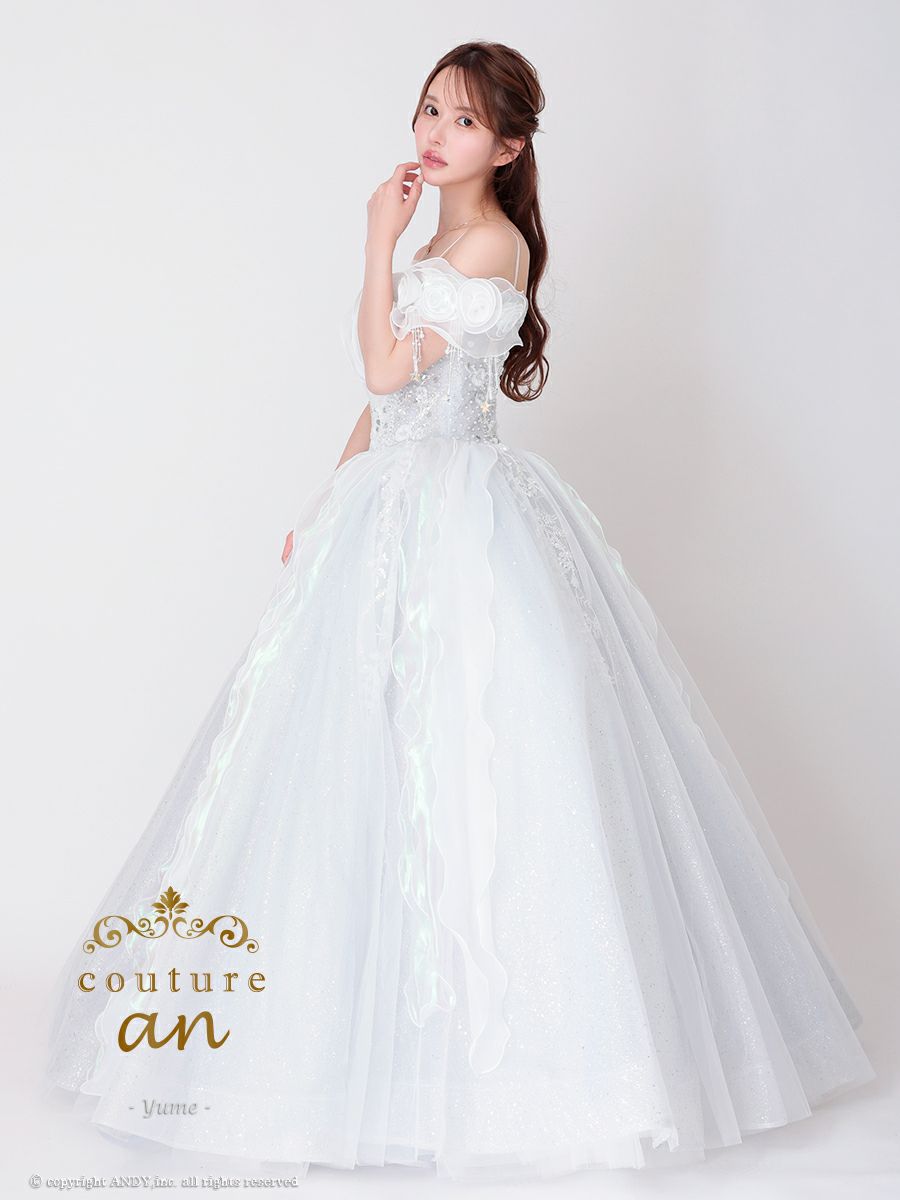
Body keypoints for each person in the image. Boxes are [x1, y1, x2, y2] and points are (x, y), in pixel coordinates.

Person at [40, 40, 876, 1184]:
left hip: (461, 517)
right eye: (430, 109)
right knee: (349, 761)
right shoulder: (439, 245)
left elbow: (388, 370)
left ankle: (518, 1064)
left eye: (467, 121)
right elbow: (381, 408)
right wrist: (327, 500)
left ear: (511, 146)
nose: (436, 134)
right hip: (385, 506)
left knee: (482, 757)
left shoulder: (488, 246)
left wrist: (373, 242)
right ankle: (348, 1046)